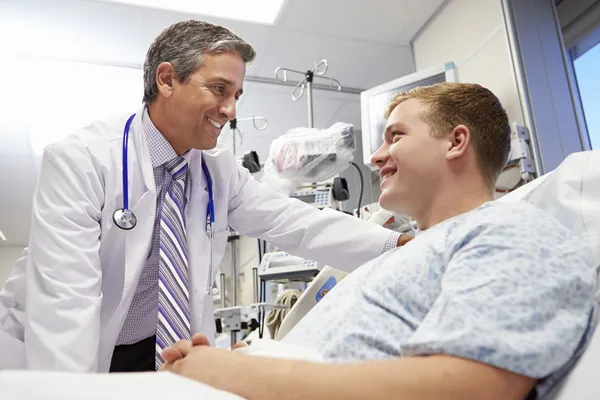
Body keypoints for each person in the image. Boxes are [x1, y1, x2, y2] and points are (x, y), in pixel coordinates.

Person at [0, 20, 406, 373]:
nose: (230, 109)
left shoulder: (217, 169)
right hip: (65, 348)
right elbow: (65, 305)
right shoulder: (81, 160)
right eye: (219, 89)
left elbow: (296, 223)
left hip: (153, 350)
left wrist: (397, 245)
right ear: (166, 79)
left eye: (237, 95)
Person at [159, 82, 598, 400]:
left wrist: (230, 374)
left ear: (456, 142)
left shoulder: (512, 231)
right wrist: (251, 359)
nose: (374, 156)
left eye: (396, 136)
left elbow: (467, 389)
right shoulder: (400, 259)